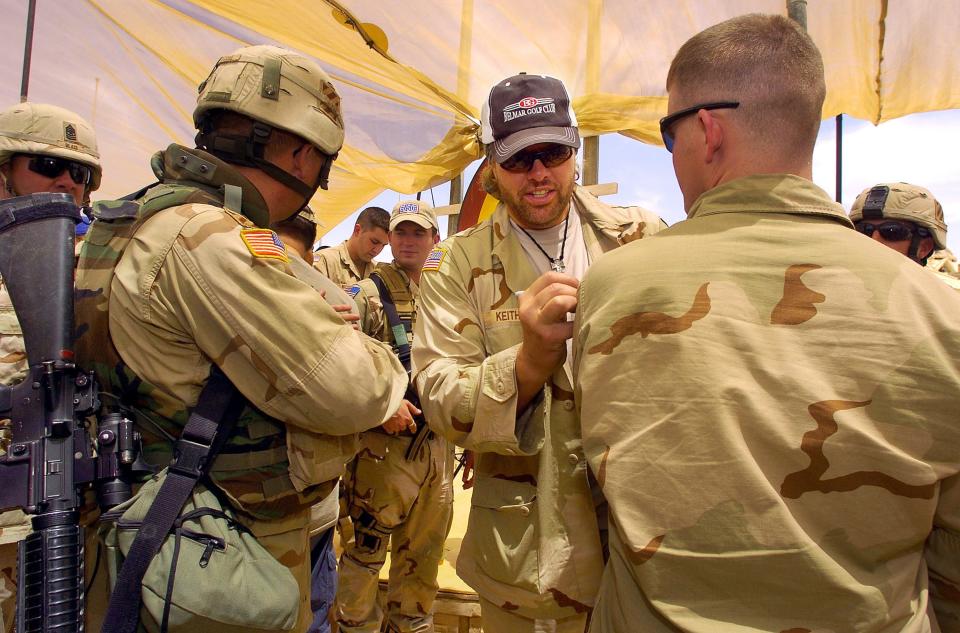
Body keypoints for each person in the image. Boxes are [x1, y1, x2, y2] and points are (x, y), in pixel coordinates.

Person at [573, 14, 960, 632]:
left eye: (669, 137)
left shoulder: (615, 287)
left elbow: (590, 494)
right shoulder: (942, 313)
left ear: (707, 130)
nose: (673, 159)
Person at [74, 45, 410, 632]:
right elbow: (353, 387)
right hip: (215, 544)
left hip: (154, 525)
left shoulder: (136, 216)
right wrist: (378, 361)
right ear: (306, 155)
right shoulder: (209, 235)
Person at [412, 72, 666, 632]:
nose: (538, 173)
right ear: (490, 167)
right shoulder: (458, 262)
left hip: (641, 539)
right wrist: (527, 364)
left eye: (552, 152)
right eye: (519, 158)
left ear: (574, 149)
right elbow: (440, 399)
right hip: (529, 553)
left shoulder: (640, 238)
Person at [0, 102, 105, 633]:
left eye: (78, 173)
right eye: (45, 166)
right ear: (3, 173)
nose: (65, 181)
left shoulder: (104, 266)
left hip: (70, 511)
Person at [335, 200, 454, 633]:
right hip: (383, 452)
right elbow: (343, 363)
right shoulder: (368, 293)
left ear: (434, 240)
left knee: (423, 558)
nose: (407, 241)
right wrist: (384, 405)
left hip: (438, 448)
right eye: (401, 232)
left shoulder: (447, 293)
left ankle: (412, 625)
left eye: (418, 233)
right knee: (365, 555)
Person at [849, 182, 960, 289]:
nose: (873, 240)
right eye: (863, 231)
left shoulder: (945, 304)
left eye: (891, 231)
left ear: (924, 247)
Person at [314, 206, 389, 288]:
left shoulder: (378, 272)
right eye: (374, 242)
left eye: (383, 245)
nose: (377, 250)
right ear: (358, 230)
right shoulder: (325, 262)